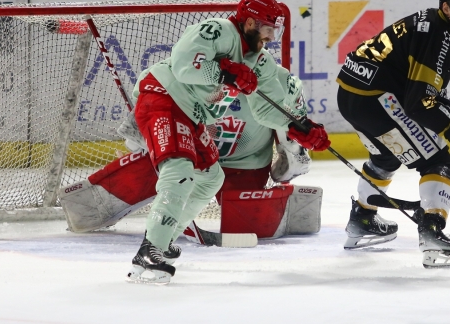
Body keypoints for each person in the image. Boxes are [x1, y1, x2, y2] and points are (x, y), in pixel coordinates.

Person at [127, 0, 329, 284]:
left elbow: (266, 109)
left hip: (193, 115)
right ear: (249, 22)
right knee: (180, 172)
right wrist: (224, 71)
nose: (272, 36)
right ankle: (150, 249)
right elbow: (185, 66)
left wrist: (300, 127)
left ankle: (165, 237)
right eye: (267, 28)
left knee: (211, 178)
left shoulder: (261, 62)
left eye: (275, 30)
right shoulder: (217, 30)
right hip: (165, 97)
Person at [59, 62, 318, 241]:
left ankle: (289, 208)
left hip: (244, 164)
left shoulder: (283, 85)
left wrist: (290, 164)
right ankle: (94, 203)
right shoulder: (185, 70)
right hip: (189, 151)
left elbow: (293, 151)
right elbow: (140, 135)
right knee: (154, 171)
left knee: (253, 224)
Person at [335, 0, 450, 268]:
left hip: (351, 96)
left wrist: (449, 121)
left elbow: (423, 92)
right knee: (438, 162)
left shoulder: (428, 23)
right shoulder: (440, 35)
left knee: (386, 155)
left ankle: (363, 219)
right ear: (448, 7)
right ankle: (432, 234)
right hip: (376, 99)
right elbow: (418, 104)